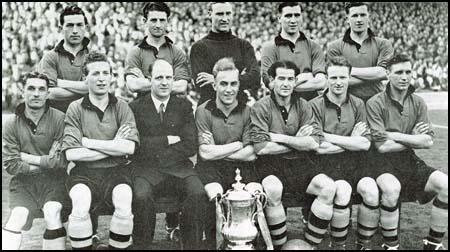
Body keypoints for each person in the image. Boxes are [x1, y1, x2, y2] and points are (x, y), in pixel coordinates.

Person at [366, 53, 448, 250]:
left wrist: (395, 135)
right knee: (391, 189)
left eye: (408, 72)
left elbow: (427, 141)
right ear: (388, 74)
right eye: (399, 72)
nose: (404, 77)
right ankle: (391, 245)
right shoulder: (375, 102)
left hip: (408, 159)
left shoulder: (418, 101)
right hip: (380, 162)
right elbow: (382, 146)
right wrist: (412, 137)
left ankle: (433, 244)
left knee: (446, 185)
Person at [62, 52, 139, 250]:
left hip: (117, 171)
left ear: (112, 77)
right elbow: (72, 154)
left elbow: (129, 148)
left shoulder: (122, 106)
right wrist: (114, 146)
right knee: (80, 203)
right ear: (85, 78)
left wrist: (88, 142)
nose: (101, 78)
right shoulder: (75, 108)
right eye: (95, 73)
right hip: (84, 173)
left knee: (124, 200)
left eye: (106, 73)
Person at [129, 59, 206, 250]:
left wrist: (157, 150)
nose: (164, 82)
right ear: (149, 80)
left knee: (197, 193)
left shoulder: (184, 106)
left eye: (168, 78)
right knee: (141, 196)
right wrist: (167, 139)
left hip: (179, 168)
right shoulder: (135, 107)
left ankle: (191, 246)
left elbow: (190, 145)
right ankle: (142, 246)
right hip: (146, 170)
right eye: (159, 78)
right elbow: (137, 146)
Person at [249, 60, 322, 249]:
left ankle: (311, 245)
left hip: (302, 165)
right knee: (272, 189)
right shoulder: (260, 107)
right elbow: (262, 148)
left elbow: (314, 143)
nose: (286, 83)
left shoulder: (304, 105)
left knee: (328, 188)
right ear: (272, 81)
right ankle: (280, 246)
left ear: (295, 81)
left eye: (290, 79)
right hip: (271, 165)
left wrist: (279, 138)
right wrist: (298, 142)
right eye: (281, 78)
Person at [308, 56, 372, 249]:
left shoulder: (358, 104)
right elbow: (318, 147)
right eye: (333, 77)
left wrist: (329, 136)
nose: (338, 82)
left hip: (355, 164)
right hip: (324, 167)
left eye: (342, 77)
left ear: (349, 78)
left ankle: (364, 245)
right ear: (326, 78)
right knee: (343, 190)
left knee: (371, 190)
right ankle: (338, 245)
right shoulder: (314, 105)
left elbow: (365, 144)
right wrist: (351, 139)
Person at [194, 57, 257, 249]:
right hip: (211, 169)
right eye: (223, 84)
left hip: (242, 168)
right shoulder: (203, 111)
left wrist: (218, 150)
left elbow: (251, 154)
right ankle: (215, 244)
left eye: (233, 84)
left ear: (239, 85)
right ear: (214, 85)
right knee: (215, 197)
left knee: (255, 195)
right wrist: (238, 144)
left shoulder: (248, 111)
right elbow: (205, 153)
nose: (229, 89)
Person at [2, 72, 68, 250]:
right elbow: (11, 165)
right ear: (22, 91)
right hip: (23, 183)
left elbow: (61, 162)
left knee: (52, 211)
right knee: (17, 216)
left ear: (48, 93)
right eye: (31, 88)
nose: (36, 94)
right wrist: (46, 161)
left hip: (54, 181)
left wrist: (26, 157)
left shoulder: (60, 119)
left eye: (41, 89)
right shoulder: (11, 123)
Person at [190, 2, 260, 105]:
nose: (224, 18)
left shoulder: (244, 45)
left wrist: (215, 79)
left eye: (228, 14)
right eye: (220, 14)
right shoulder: (199, 47)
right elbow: (202, 85)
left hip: (240, 108)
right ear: (210, 14)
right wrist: (239, 79)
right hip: (210, 109)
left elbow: (255, 78)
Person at [327, 2, 394, 102]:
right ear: (347, 19)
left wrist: (348, 71)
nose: (359, 19)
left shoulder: (384, 44)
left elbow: (383, 73)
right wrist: (374, 76)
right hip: (347, 104)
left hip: (378, 103)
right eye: (354, 16)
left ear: (369, 17)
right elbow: (337, 81)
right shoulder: (334, 47)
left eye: (362, 15)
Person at [261, 2, 327, 101]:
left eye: (297, 15)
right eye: (288, 16)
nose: (293, 20)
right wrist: (306, 76)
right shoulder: (269, 48)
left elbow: (321, 83)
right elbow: (272, 85)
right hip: (283, 108)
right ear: (279, 18)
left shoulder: (314, 46)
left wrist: (285, 82)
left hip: (311, 107)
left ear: (302, 17)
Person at [125, 2, 189, 97]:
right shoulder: (135, 52)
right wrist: (169, 82)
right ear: (144, 21)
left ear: (168, 21)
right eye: (153, 20)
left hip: (171, 109)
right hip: (143, 108)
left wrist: (146, 81)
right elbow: (133, 85)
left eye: (162, 20)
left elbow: (181, 87)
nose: (158, 25)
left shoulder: (177, 52)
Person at [36, 5, 91, 113]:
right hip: (56, 118)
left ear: (86, 27)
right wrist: (85, 89)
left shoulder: (93, 56)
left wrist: (60, 83)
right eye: (70, 25)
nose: (75, 30)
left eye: (79, 25)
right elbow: (49, 93)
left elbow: (96, 88)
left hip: (87, 117)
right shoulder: (50, 57)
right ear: (61, 29)